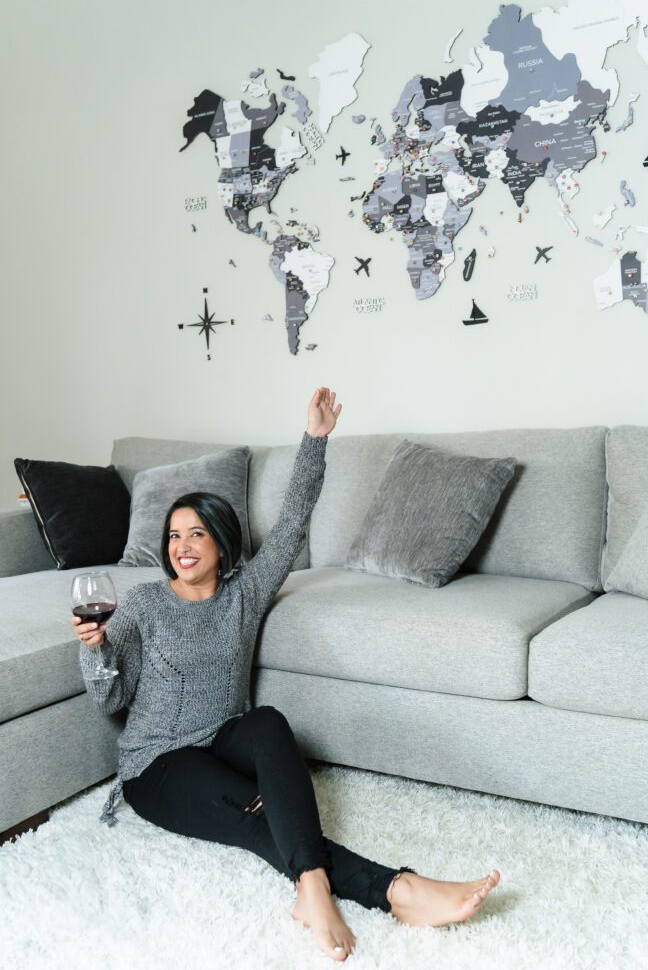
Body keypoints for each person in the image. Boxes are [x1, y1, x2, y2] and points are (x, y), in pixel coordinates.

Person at [73, 386, 500, 962]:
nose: (183, 545)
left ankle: (329, 887)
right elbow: (109, 697)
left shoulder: (244, 592)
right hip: (160, 765)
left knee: (270, 723)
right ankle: (390, 890)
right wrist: (96, 649)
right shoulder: (144, 604)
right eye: (174, 535)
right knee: (260, 814)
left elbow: (294, 522)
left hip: (223, 737)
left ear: (222, 544)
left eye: (197, 532)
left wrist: (315, 440)